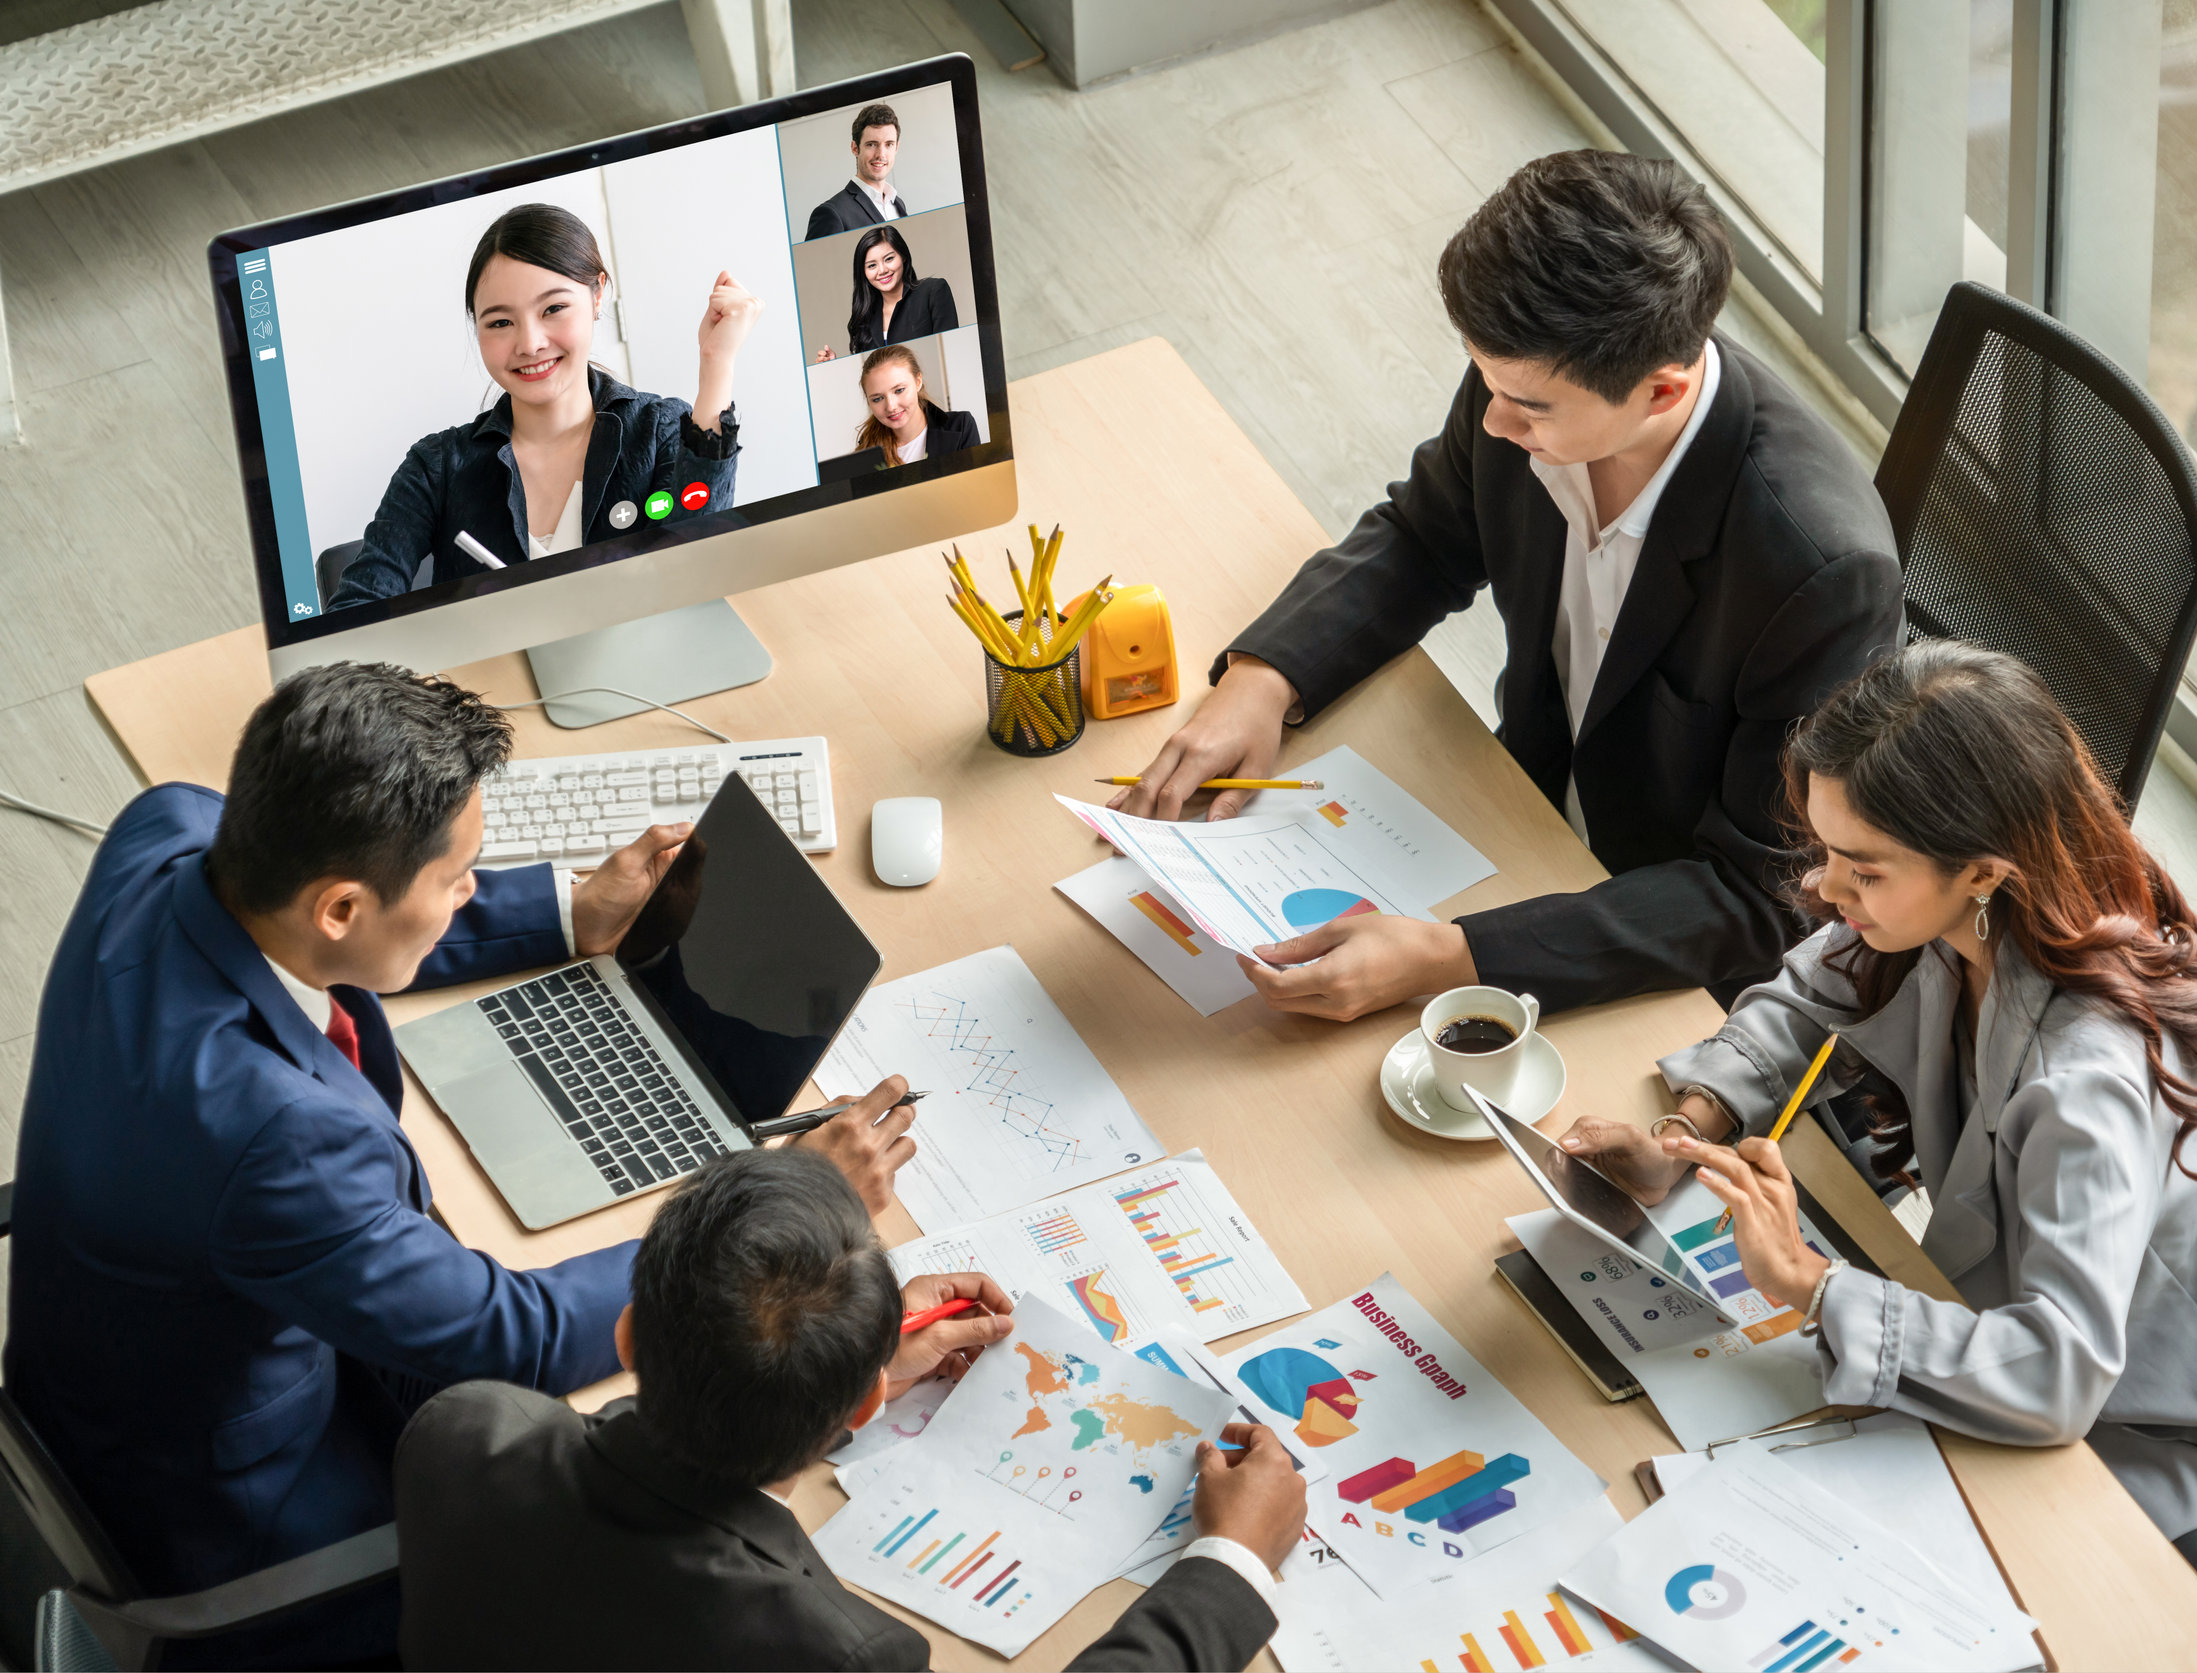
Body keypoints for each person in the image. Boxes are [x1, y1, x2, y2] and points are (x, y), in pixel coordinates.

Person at [5, 663, 925, 1666]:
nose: (469, 889)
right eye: (456, 879)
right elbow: (512, 1336)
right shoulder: (276, 1143)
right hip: (231, 1512)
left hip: (95, 1370)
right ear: (347, 907)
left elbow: (310, 921)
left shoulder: (169, 828)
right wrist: (788, 1227)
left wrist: (566, 913)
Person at [1556, 642, 2197, 1664]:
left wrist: (1812, 1288)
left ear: (1982, 867)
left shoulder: (2091, 1080)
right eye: (1825, 848)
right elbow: (1805, 999)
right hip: (2034, 1359)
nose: (1825, 885)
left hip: (2175, 1449)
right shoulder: (1964, 916)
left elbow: (2062, 1371)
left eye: (1862, 867)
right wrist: (1687, 1132)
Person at [1114, 151, 1901, 1022]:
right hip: (1514, 815)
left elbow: (1763, 896)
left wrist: (1455, 959)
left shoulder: (1820, 571)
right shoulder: (1531, 377)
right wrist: (1266, 680)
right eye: (1485, 380)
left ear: (1663, 389)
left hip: (1650, 944)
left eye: (1525, 406)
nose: (1494, 420)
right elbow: (1425, 535)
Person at [394, 1148, 1304, 1670]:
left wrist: (816, 1382)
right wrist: (1231, 1567)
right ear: (874, 1392)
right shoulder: (838, 1655)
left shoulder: (465, 1429)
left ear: (629, 1334)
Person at [329, 203, 761, 610]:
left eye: (553, 308)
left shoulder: (658, 429)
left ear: (597, 297)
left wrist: (716, 363)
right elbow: (354, 613)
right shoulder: (436, 466)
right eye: (500, 322)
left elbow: (699, 572)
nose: (530, 343)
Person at [835, 222, 958, 354]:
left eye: (889, 259)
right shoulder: (865, 317)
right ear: (863, 272)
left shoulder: (933, 291)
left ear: (903, 256)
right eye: (872, 266)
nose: (882, 270)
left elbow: (951, 350)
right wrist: (833, 364)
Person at [854, 343, 980, 468]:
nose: (891, 406)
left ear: (918, 381)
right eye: (877, 399)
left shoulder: (961, 426)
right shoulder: (866, 450)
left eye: (899, 390)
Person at [806, 101, 909, 239]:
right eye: (872, 144)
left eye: (889, 144)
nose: (881, 154)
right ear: (855, 148)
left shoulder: (897, 203)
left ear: (896, 148)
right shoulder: (832, 214)